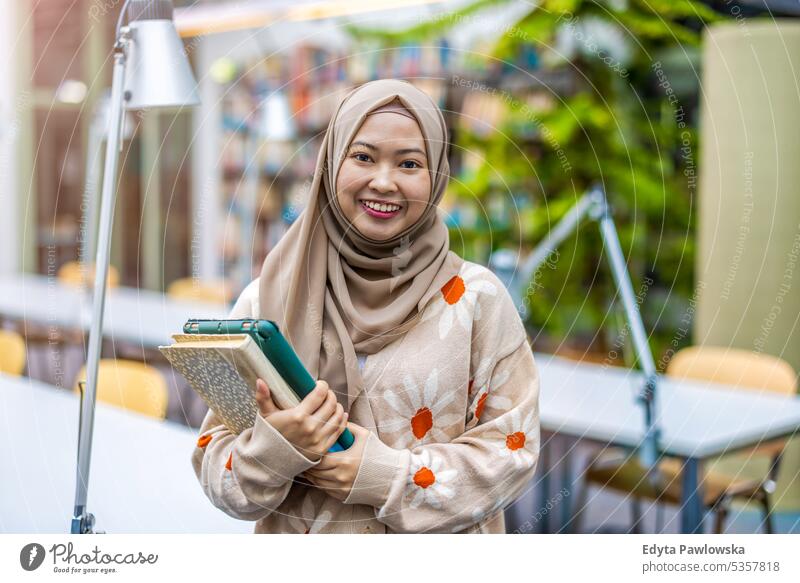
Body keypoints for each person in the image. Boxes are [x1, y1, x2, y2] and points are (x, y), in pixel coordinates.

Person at [192, 79, 541, 533]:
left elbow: (512, 453)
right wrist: (276, 449)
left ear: (435, 176)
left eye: (409, 163)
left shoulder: (476, 299)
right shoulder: (265, 299)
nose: (383, 181)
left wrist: (385, 477)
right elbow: (218, 470)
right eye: (363, 157)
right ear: (331, 163)